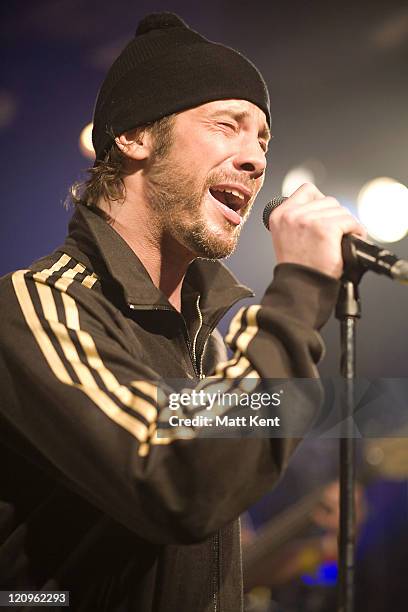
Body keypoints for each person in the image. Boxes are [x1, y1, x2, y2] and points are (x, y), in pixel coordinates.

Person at [0, 12, 365, 612]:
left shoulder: (210, 348)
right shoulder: (39, 304)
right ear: (135, 136)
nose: (256, 159)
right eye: (228, 126)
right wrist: (297, 291)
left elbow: (194, 533)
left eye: (263, 141)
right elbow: (174, 482)